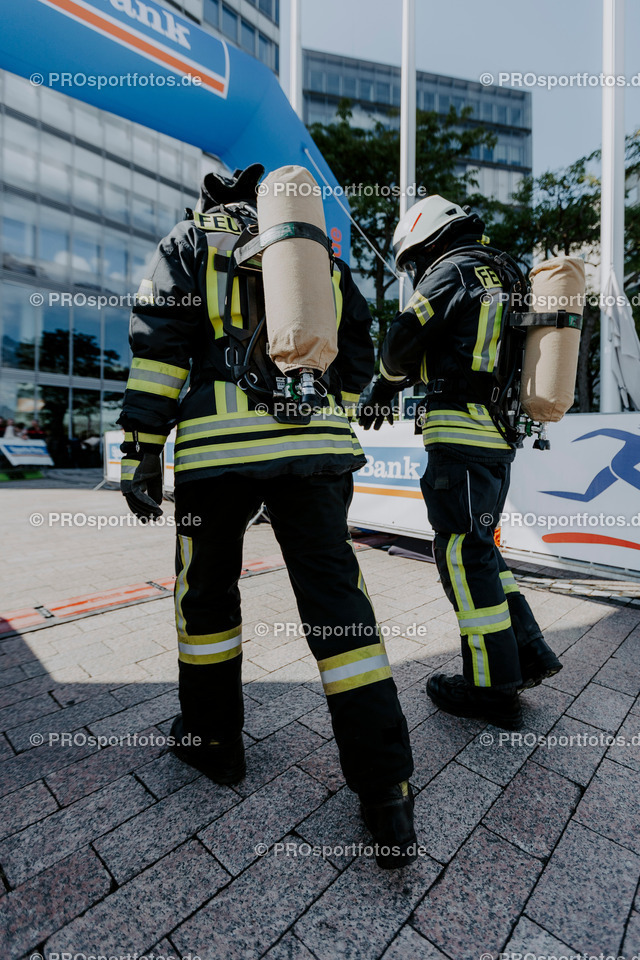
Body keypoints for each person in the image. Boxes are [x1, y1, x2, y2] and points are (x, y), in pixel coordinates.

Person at [118, 165, 417, 868]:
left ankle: (214, 744)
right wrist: (319, 422)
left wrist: (139, 451)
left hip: (218, 455)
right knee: (337, 606)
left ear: (208, 203)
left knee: (206, 599)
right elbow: (355, 351)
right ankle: (387, 792)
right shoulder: (311, 252)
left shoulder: (188, 242)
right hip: (314, 451)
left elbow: (158, 351)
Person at [360, 195, 562, 731]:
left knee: (461, 555)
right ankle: (527, 653)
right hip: (497, 437)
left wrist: (382, 382)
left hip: (459, 437)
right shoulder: (507, 271)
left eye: (412, 260)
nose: (415, 270)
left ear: (428, 236)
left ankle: (489, 686)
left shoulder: (451, 270)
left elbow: (403, 338)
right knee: (482, 551)